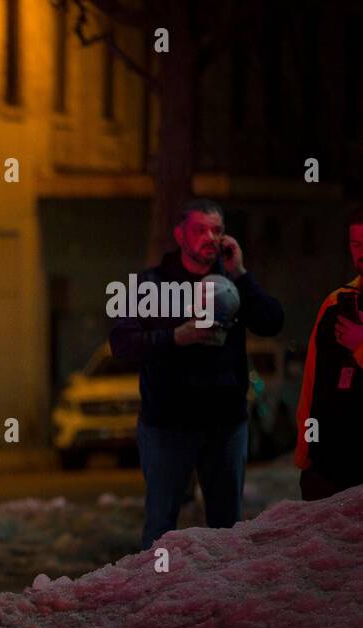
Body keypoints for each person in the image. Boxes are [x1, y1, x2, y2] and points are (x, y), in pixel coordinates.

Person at [110, 198, 285, 551]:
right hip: (167, 425)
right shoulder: (152, 284)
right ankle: (158, 597)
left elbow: (271, 321)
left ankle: (224, 598)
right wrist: (175, 337)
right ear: (180, 235)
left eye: (217, 230)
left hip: (225, 425)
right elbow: (122, 343)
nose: (210, 237)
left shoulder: (231, 283)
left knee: (228, 528)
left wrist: (240, 274)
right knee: (161, 526)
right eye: (199, 230)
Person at [295, 206, 363, 500]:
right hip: (328, 472)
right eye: (356, 244)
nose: (361, 252)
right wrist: (305, 456)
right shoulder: (336, 303)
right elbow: (312, 383)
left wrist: (360, 346)